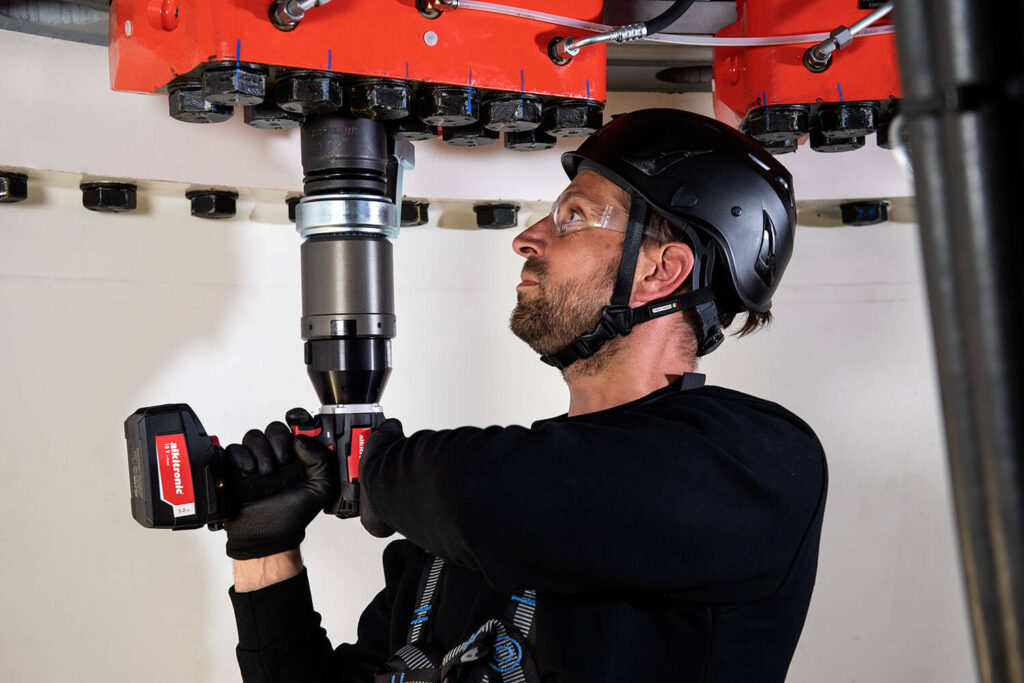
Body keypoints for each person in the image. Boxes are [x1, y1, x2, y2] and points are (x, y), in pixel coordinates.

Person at [222, 108, 828, 682]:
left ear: (660, 270)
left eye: (574, 217)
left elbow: (507, 496)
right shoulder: (466, 525)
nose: (528, 238)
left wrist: (370, 469)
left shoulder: (759, 464)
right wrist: (264, 550)